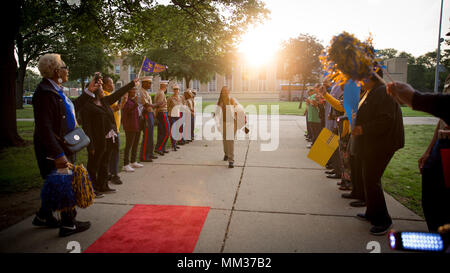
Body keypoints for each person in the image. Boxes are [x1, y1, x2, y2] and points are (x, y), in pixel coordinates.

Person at [32, 53, 98, 237]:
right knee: (64, 182)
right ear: (55, 71)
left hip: (62, 144)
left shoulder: (56, 89)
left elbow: (71, 109)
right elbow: (44, 128)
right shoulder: (44, 93)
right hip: (54, 148)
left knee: (57, 181)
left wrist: (89, 91)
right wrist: (58, 154)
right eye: (64, 66)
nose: (67, 69)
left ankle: (43, 216)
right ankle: (69, 224)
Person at [386, 80, 450, 232]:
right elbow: (443, 118)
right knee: (430, 201)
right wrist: (429, 150)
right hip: (440, 147)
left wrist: (415, 98)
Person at [352, 69, 404, 235]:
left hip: (383, 144)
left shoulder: (383, 92)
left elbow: (385, 119)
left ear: (370, 77)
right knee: (368, 179)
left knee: (372, 180)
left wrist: (362, 129)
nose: (359, 81)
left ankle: (383, 220)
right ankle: (372, 212)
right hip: (372, 144)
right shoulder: (371, 91)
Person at [80, 76, 138, 195]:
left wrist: (131, 84)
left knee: (105, 163)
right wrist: (90, 146)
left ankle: (103, 185)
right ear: (95, 92)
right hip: (96, 140)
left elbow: (118, 94)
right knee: (94, 165)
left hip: (109, 138)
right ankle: (93, 188)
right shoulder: (88, 107)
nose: (102, 91)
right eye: (100, 89)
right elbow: (87, 127)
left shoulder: (104, 102)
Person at [102, 75, 124, 185]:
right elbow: (112, 109)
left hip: (116, 129)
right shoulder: (105, 96)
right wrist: (120, 104)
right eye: (110, 83)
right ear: (105, 85)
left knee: (112, 152)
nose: (113, 85)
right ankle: (114, 174)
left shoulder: (109, 95)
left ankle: (110, 173)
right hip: (111, 130)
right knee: (114, 152)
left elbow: (116, 109)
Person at [217, 86, 239, 168]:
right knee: (225, 140)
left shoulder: (232, 99)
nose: (225, 92)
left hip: (232, 123)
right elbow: (217, 111)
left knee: (230, 141)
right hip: (223, 123)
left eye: (226, 91)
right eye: (223, 91)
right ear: (221, 92)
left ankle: (231, 160)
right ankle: (226, 154)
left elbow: (238, 109)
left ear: (229, 92)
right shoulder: (220, 101)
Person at [122, 87, 143, 172]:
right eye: (133, 90)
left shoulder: (132, 101)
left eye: (135, 90)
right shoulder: (126, 101)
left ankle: (133, 161)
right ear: (129, 91)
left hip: (136, 125)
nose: (135, 91)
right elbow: (128, 111)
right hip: (130, 126)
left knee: (135, 144)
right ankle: (125, 164)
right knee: (129, 145)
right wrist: (136, 104)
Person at [138, 76, 158, 162]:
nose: (150, 84)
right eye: (149, 83)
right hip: (145, 114)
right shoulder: (141, 92)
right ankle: (143, 156)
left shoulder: (146, 92)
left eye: (150, 83)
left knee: (150, 136)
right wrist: (157, 104)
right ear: (144, 83)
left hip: (150, 114)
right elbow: (146, 105)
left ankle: (149, 154)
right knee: (146, 136)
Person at [154, 80, 170, 155]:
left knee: (161, 132)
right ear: (164, 86)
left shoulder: (160, 92)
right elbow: (159, 104)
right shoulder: (161, 93)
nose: (167, 87)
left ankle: (161, 148)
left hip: (161, 113)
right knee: (167, 132)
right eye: (166, 86)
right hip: (162, 112)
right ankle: (159, 148)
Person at [167, 84, 184, 151]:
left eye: (177, 89)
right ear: (173, 90)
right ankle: (173, 145)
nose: (176, 90)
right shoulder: (170, 98)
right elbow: (167, 107)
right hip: (172, 116)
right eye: (175, 89)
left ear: (179, 90)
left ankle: (175, 144)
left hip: (178, 115)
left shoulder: (180, 98)